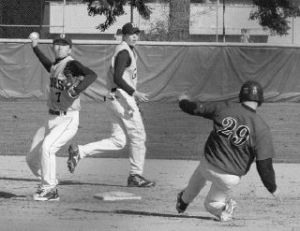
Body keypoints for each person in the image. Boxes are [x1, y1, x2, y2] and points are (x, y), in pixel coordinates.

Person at [176, 80, 280, 221]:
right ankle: (224, 209)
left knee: (199, 176)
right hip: (230, 178)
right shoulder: (262, 128)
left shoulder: (225, 107)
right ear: (260, 99)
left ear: (241, 96)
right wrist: (272, 188)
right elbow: (264, 165)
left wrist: (182, 100)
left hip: (208, 165)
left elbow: (195, 108)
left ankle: (183, 201)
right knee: (211, 204)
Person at [67, 22, 155, 188]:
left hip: (115, 98)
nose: (135, 36)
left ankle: (80, 151)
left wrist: (132, 99)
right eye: (131, 34)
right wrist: (134, 93)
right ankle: (135, 175)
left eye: (137, 33)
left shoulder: (127, 50)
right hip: (121, 97)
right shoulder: (123, 52)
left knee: (118, 141)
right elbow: (118, 78)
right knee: (138, 136)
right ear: (124, 35)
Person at [26, 33, 97, 201]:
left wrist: (77, 89)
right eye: (57, 43)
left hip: (67, 118)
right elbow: (47, 65)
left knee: (48, 148)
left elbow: (91, 75)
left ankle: (50, 190)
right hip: (50, 118)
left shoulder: (71, 64)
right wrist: (35, 47)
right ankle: (50, 182)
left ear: (70, 49)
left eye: (64, 44)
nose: (59, 47)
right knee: (31, 159)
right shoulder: (56, 66)